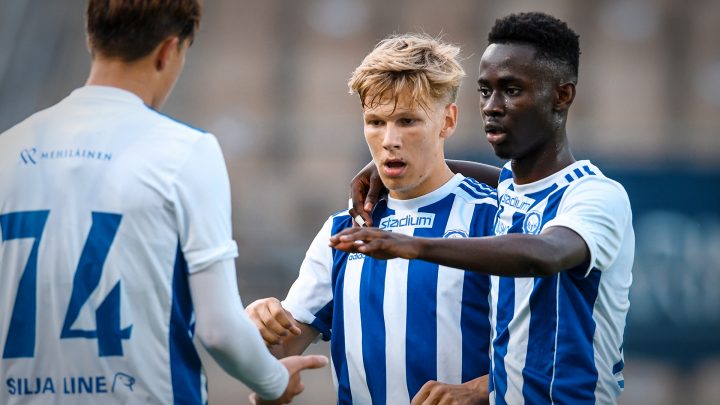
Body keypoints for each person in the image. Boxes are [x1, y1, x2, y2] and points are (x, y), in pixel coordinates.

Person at [0, 1, 326, 404]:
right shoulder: (186, 151)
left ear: (90, 38)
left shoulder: (7, 150)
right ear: (169, 50)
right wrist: (274, 382)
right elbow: (218, 329)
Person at [337, 12, 634, 404]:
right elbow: (500, 181)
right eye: (484, 90)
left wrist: (412, 245)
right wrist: (387, 166)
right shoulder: (513, 187)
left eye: (511, 90)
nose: (492, 106)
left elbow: (543, 255)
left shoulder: (597, 196)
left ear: (562, 96)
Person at [246, 33, 498, 404]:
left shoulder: (493, 219)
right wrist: (256, 328)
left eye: (408, 121)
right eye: (376, 122)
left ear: (448, 121)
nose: (389, 139)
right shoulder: (342, 231)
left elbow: (546, 355)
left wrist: (480, 390)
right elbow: (281, 353)